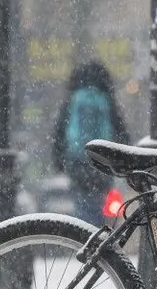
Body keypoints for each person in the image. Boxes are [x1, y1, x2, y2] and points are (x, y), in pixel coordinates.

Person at [50, 61, 130, 221]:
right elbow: (119, 129)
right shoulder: (106, 99)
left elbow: (59, 132)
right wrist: (124, 159)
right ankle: (96, 235)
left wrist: (58, 160)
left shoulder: (72, 100)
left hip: (77, 161)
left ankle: (85, 236)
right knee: (100, 204)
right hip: (102, 160)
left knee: (82, 203)